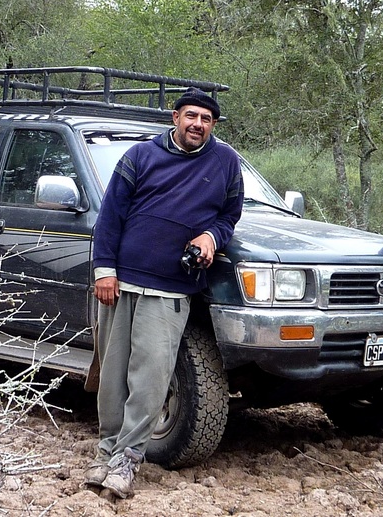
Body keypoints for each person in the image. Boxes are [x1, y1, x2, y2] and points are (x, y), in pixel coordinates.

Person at [83, 88, 244, 498]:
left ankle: (126, 461)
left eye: (207, 119)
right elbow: (110, 217)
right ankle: (105, 454)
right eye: (191, 116)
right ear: (175, 117)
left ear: (214, 125)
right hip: (119, 283)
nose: (198, 125)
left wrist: (212, 235)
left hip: (171, 288)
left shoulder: (225, 161)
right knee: (113, 377)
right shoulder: (140, 156)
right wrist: (105, 270)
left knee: (151, 378)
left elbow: (230, 214)